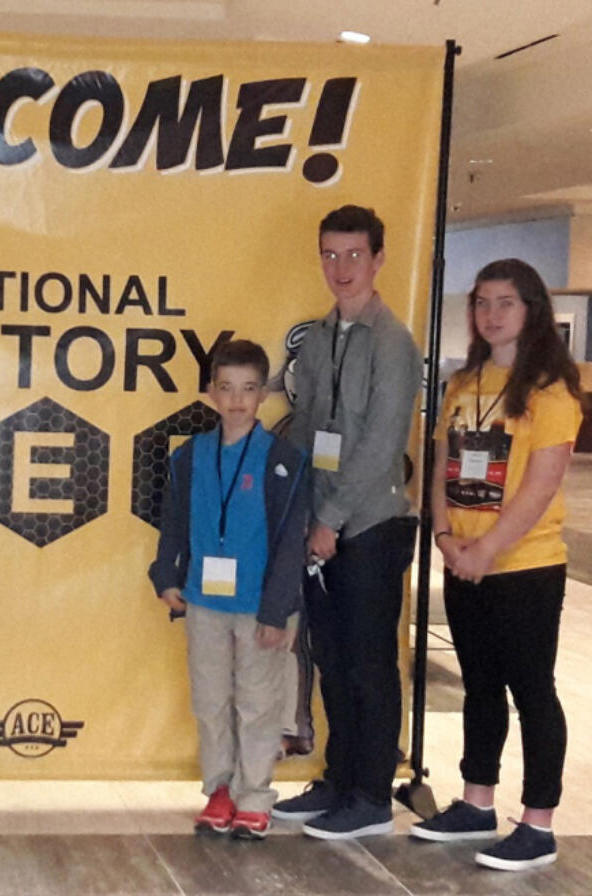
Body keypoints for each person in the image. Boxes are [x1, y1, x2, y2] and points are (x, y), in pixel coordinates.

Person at [409, 259, 584, 870]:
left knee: (531, 690)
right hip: (464, 560)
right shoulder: (464, 384)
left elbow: (541, 486)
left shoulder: (550, 393)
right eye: (482, 302)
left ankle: (538, 823)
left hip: (525, 567)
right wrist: (446, 533)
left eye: (505, 302)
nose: (491, 314)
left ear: (531, 310)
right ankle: (476, 802)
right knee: (479, 684)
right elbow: (442, 466)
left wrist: (488, 548)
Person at [271, 205, 422, 838]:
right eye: (330, 254)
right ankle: (337, 778)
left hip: (370, 527)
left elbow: (382, 444)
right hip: (322, 528)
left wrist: (329, 520)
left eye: (354, 255)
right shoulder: (323, 336)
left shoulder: (393, 343)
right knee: (331, 659)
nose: (341, 267)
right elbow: (309, 429)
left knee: (369, 665)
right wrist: (300, 510)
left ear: (379, 259)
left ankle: (372, 796)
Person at [148, 339, 308, 839]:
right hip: (203, 599)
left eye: (248, 389)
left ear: (264, 394)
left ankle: (254, 795)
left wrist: (278, 609)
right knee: (211, 699)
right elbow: (173, 522)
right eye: (226, 388)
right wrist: (166, 574)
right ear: (211, 393)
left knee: (258, 701)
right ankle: (219, 789)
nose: (237, 400)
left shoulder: (284, 460)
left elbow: (290, 542)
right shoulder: (189, 456)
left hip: (261, 604)